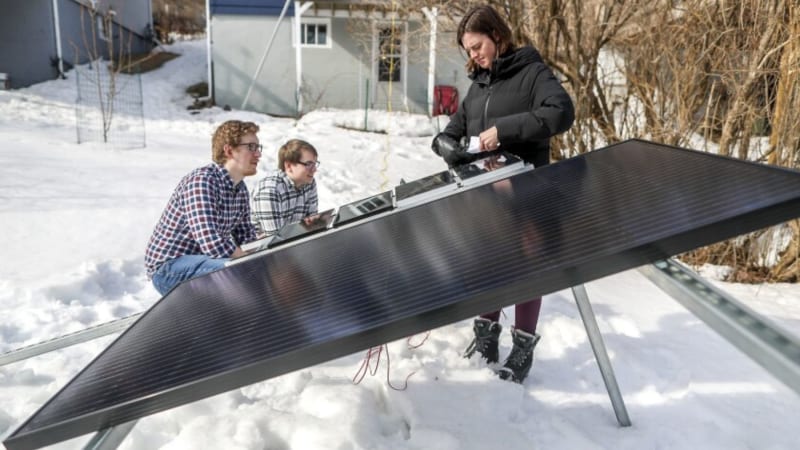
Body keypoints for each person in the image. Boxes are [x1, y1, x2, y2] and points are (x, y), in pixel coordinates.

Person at [432, 5, 575, 383]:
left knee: (527, 270)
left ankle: (523, 349)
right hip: (487, 196)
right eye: (468, 50)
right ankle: (486, 339)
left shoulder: (532, 73)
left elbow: (562, 112)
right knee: (487, 264)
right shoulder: (479, 85)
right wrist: (445, 144)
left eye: (477, 46)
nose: (473, 55)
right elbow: (452, 130)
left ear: (497, 35)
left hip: (527, 191)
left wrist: (504, 130)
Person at [145, 120, 262, 295]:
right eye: (251, 147)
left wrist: (265, 254)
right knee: (241, 271)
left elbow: (246, 236)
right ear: (229, 150)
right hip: (169, 268)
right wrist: (251, 263)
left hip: (205, 262)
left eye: (258, 147)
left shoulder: (240, 189)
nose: (258, 154)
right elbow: (211, 241)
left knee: (258, 269)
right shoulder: (202, 181)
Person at [250, 139, 320, 237]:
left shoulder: (309, 182)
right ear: (289, 166)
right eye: (308, 164)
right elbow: (275, 239)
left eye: (315, 164)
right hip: (262, 246)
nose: (314, 169)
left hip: (293, 241)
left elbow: (312, 225)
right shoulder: (269, 191)